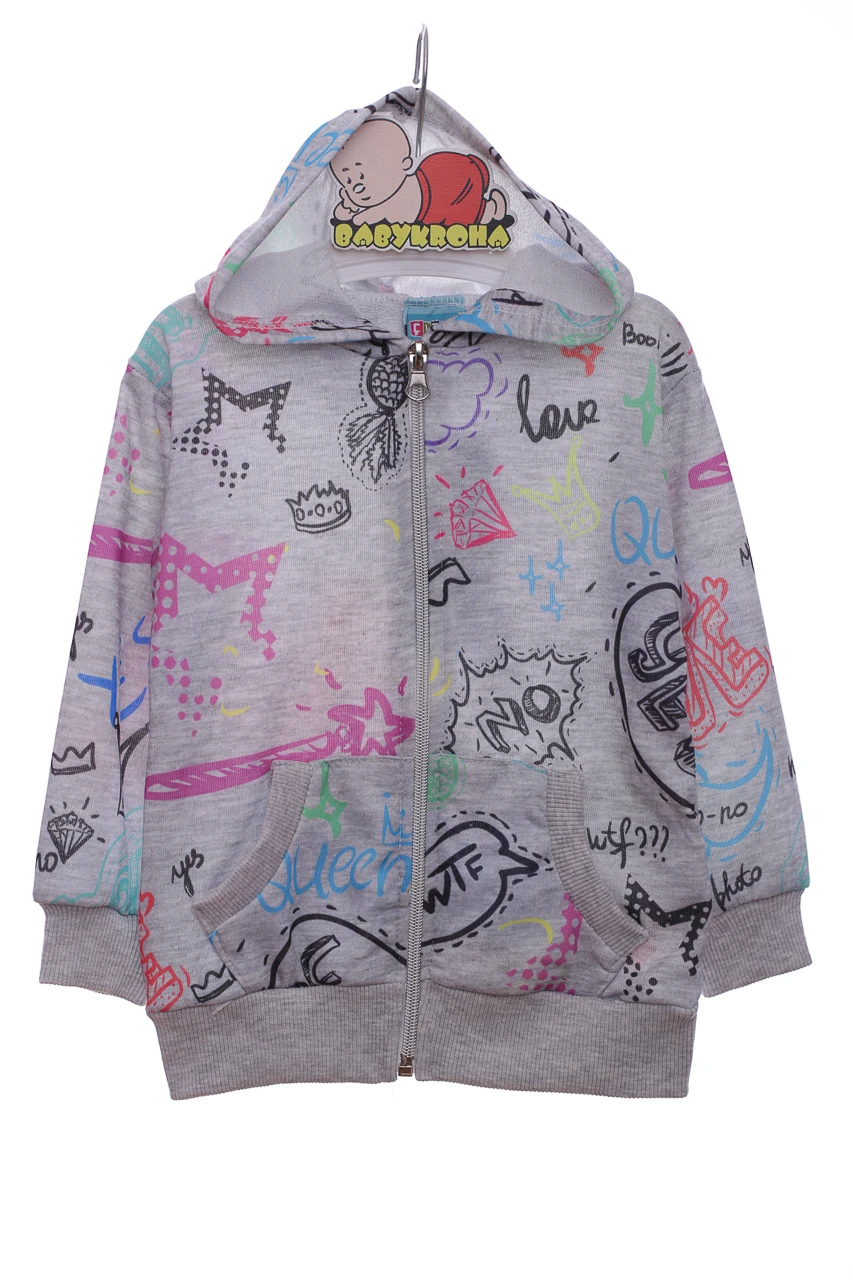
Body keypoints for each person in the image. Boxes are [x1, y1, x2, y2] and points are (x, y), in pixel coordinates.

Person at [330, 117, 508, 227]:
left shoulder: (395, 203)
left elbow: (364, 219)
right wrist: (349, 207)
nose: (358, 186)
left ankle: (491, 208)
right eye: (348, 182)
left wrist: (352, 216)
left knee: (467, 216)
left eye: (365, 175)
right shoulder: (385, 201)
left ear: (406, 164)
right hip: (434, 186)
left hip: (445, 190)